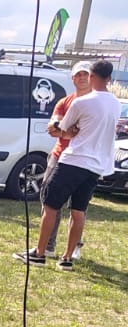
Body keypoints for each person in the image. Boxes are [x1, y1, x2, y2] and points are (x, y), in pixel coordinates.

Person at [17, 58, 119, 268]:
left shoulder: (82, 102)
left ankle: (40, 253)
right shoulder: (116, 104)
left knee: (50, 205)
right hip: (95, 165)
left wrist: (63, 129)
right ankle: (67, 258)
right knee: (78, 210)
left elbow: (61, 127)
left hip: (73, 159)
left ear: (91, 76)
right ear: (110, 78)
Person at [40, 60, 91, 255]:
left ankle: (74, 246)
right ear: (72, 78)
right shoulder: (64, 102)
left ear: (92, 77)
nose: (82, 78)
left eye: (85, 74)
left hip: (83, 160)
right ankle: (48, 246)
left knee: (78, 207)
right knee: (49, 201)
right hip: (59, 156)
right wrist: (66, 132)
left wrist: (66, 130)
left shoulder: (96, 103)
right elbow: (52, 128)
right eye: (78, 74)